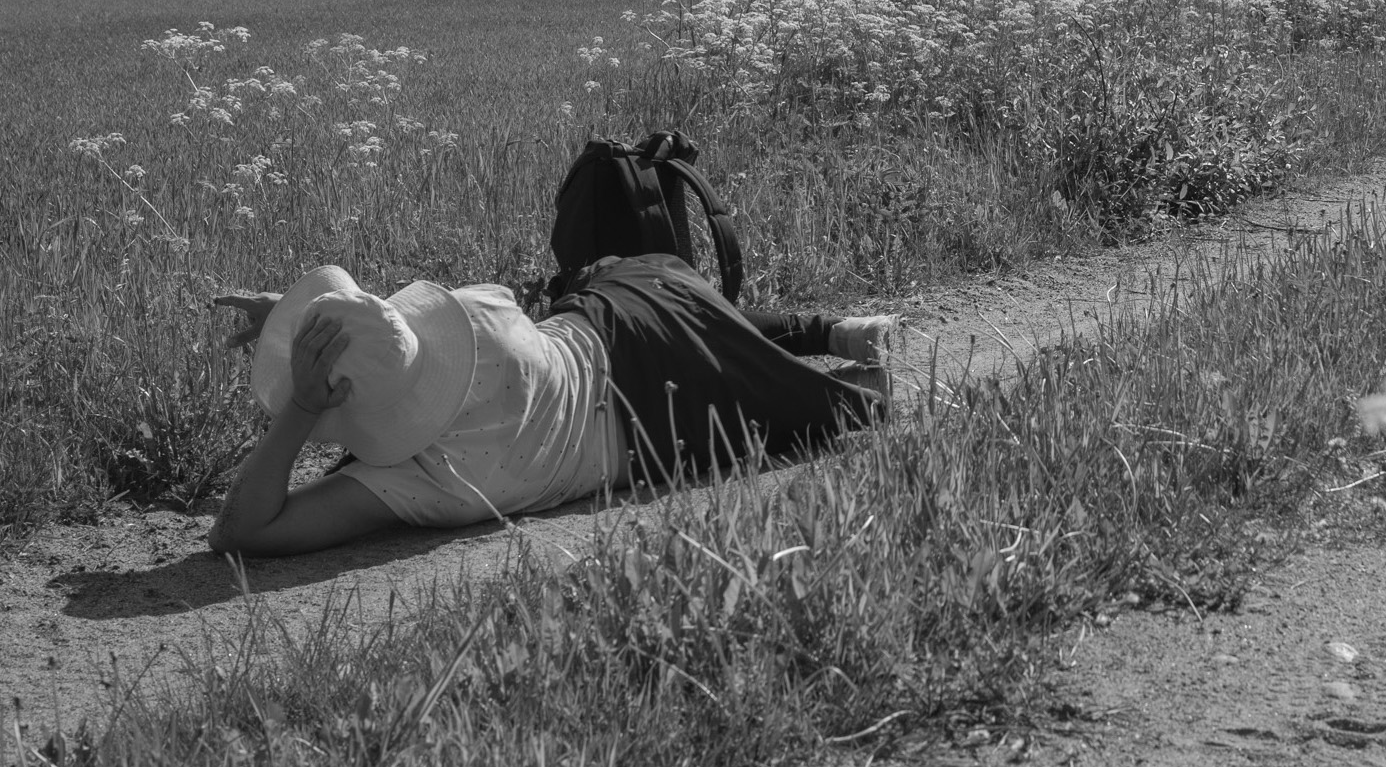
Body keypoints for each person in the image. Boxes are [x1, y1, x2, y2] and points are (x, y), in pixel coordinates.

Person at [208, 253, 894, 557]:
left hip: (659, 419)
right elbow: (393, 333)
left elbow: (242, 531)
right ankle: (826, 330)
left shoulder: (422, 482)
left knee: (813, 409)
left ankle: (839, 358)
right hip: (636, 311)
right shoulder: (474, 314)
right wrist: (300, 316)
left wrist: (300, 407)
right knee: (676, 306)